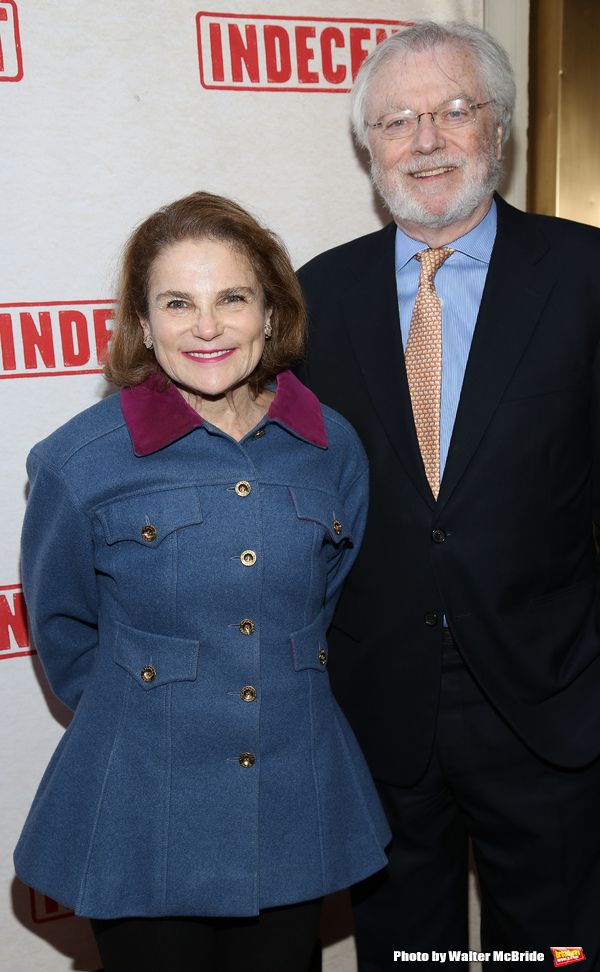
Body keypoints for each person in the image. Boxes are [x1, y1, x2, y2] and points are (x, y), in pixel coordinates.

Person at [14, 191, 390, 972]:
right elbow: (62, 631)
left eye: (232, 299)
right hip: (142, 804)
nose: (207, 326)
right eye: (177, 302)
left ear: (272, 314)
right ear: (144, 324)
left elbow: (327, 598)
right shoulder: (80, 461)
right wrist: (158, 703)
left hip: (291, 796)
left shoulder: (334, 449)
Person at [297, 20, 600, 971]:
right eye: (396, 121)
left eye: (453, 111)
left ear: (498, 130)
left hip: (554, 702)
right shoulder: (313, 299)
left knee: (560, 953)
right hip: (381, 707)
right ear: (368, 148)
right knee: (404, 955)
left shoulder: (588, 277)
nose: (425, 141)